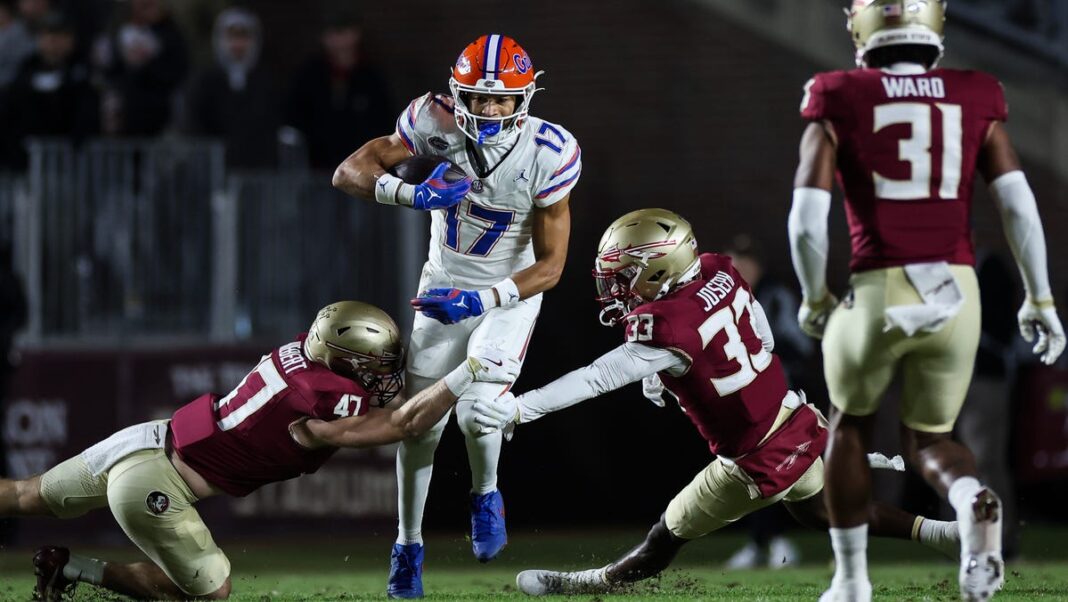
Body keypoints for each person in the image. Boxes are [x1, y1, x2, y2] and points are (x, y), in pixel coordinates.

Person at [469, 209, 959, 597]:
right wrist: (681, 372)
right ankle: (945, 535)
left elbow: (596, 378)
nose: (616, 286)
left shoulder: (664, 327)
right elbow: (762, 339)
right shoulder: (718, 270)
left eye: (626, 274)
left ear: (660, 268)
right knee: (818, 513)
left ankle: (586, 585)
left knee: (665, 536)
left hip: (753, 459)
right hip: (796, 416)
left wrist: (520, 407)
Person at [786, 2, 1066, 600]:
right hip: (957, 290)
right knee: (932, 439)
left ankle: (852, 580)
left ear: (862, 26)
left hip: (878, 284)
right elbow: (1018, 205)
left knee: (852, 429)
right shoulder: (975, 93)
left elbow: (808, 220)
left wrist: (814, 294)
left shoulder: (837, 93)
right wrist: (1039, 296)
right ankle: (971, 499)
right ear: (935, 25)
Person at [0, 301, 517, 601]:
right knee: (210, 596)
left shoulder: (301, 354)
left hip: (145, 439)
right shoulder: (320, 405)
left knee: (24, 495)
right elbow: (405, 423)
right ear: (344, 363)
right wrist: (470, 369)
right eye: (375, 366)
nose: (383, 374)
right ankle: (73, 569)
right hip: (156, 486)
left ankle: (61, 568)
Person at [332, 34, 580, 598]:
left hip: (509, 292)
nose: (490, 110)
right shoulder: (431, 121)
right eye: (479, 98)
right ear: (456, 93)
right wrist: (412, 195)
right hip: (441, 282)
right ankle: (408, 545)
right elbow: (349, 172)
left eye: (503, 99)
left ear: (526, 97)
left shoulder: (548, 152)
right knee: (418, 424)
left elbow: (551, 268)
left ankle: (485, 493)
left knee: (477, 416)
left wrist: (484, 300)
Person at [284, 13, 393, 171]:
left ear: (356, 35)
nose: (339, 41)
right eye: (332, 34)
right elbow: (295, 120)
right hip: (316, 169)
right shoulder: (309, 76)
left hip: (359, 168)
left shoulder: (371, 79)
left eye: (343, 33)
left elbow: (383, 123)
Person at [184, 7, 279, 169]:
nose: (238, 45)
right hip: (213, 167)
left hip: (256, 168)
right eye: (232, 37)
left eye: (244, 37)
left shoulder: (265, 81)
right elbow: (195, 121)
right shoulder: (205, 80)